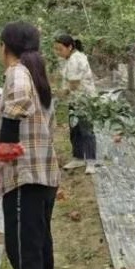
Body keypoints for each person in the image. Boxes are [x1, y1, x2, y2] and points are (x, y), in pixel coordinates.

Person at [0, 21, 61, 269]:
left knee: (22, 250)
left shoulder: (18, 72)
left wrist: (5, 145)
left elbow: (18, 102)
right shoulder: (37, 74)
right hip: (44, 174)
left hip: (25, 177)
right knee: (40, 243)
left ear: (6, 46)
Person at [53, 33, 98, 175]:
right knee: (75, 129)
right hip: (75, 100)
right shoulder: (70, 58)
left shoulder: (75, 59)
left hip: (84, 100)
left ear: (70, 47)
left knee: (86, 130)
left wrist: (59, 94)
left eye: (60, 49)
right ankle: (78, 157)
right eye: (56, 49)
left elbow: (73, 84)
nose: (58, 52)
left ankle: (90, 161)